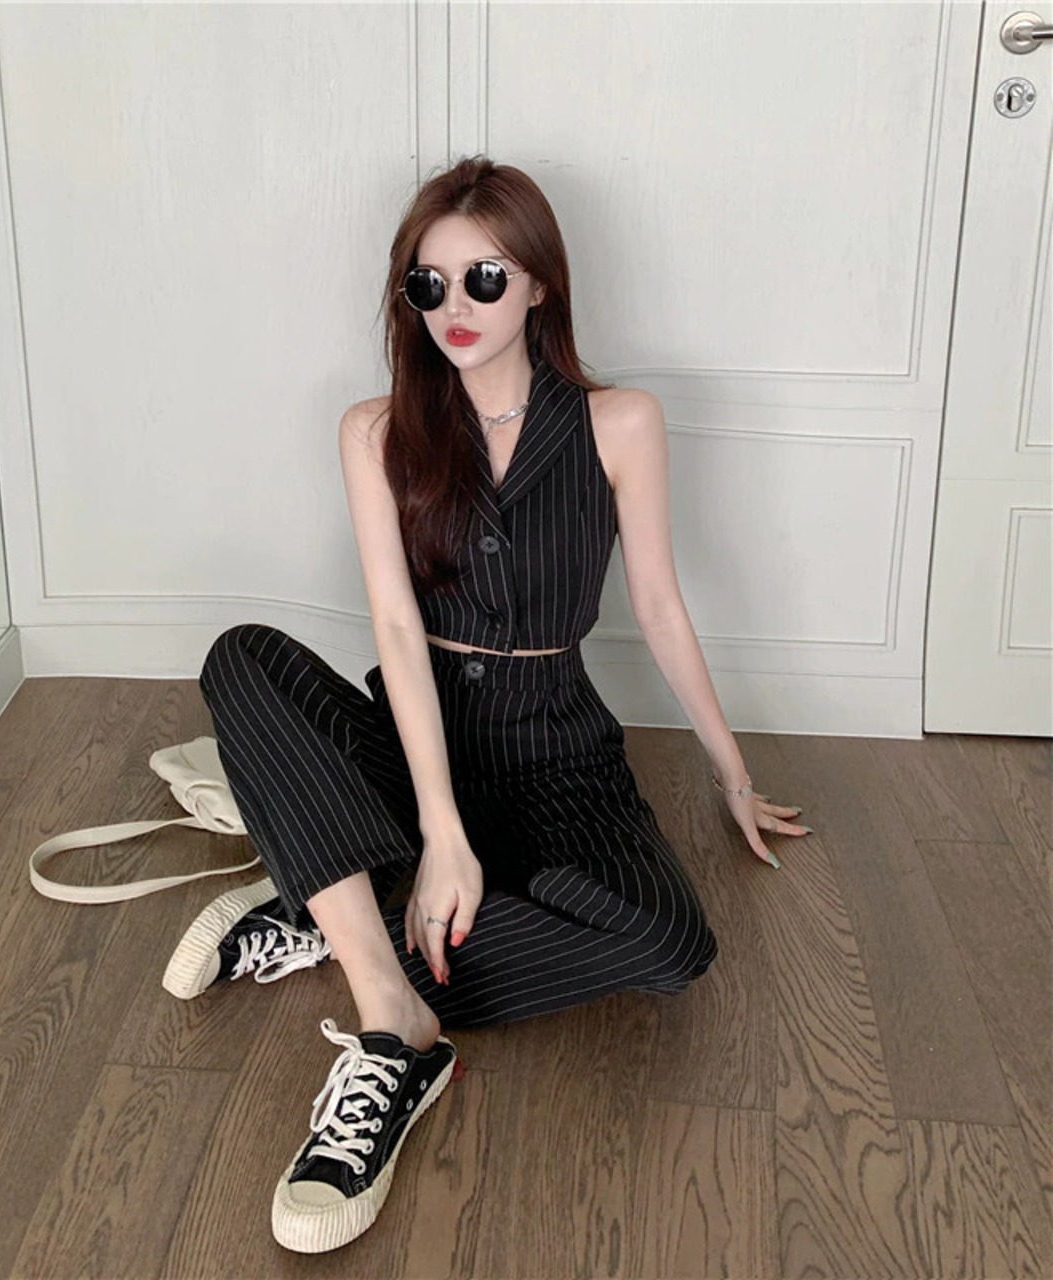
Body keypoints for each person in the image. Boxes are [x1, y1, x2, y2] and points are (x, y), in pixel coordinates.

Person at [181, 156, 812, 1254]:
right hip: (417, 729)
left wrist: (732, 773)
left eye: (483, 278)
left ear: (537, 285)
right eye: (428, 286)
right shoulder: (375, 430)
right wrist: (440, 830)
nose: (454, 308)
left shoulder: (620, 423)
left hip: (557, 746)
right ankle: (395, 1020)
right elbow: (392, 629)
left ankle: (332, 910)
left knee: (667, 942)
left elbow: (659, 605)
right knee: (243, 658)